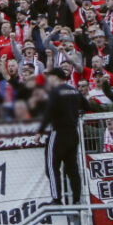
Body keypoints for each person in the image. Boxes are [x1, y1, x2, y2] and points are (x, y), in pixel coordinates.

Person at [40, 67, 86, 203]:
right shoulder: (74, 90)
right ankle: (77, 200)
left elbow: (48, 113)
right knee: (72, 169)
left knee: (52, 167)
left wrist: (39, 131)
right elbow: (87, 105)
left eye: (50, 76)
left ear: (56, 77)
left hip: (58, 132)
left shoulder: (55, 92)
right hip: (73, 133)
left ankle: (56, 198)